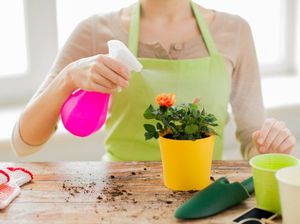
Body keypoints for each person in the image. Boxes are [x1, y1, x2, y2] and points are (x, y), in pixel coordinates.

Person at [11, 0, 296, 161]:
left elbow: (252, 141)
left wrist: (268, 148)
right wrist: (68, 77)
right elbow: (23, 142)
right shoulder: (95, 31)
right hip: (116, 196)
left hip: (201, 195)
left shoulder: (235, 32)